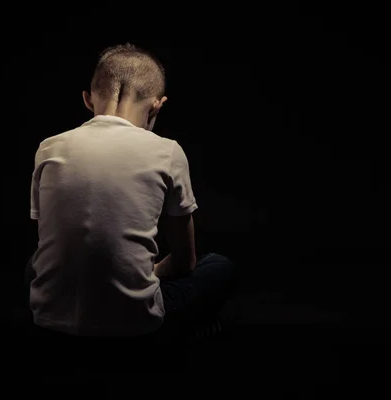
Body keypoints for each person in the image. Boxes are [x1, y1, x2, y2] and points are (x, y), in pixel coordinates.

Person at [26, 43, 239, 339]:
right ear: (157, 105)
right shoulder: (167, 151)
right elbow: (183, 261)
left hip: (49, 318)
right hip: (136, 325)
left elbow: (53, 242)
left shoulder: (49, 148)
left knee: (36, 263)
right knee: (219, 266)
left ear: (88, 100)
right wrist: (146, 272)